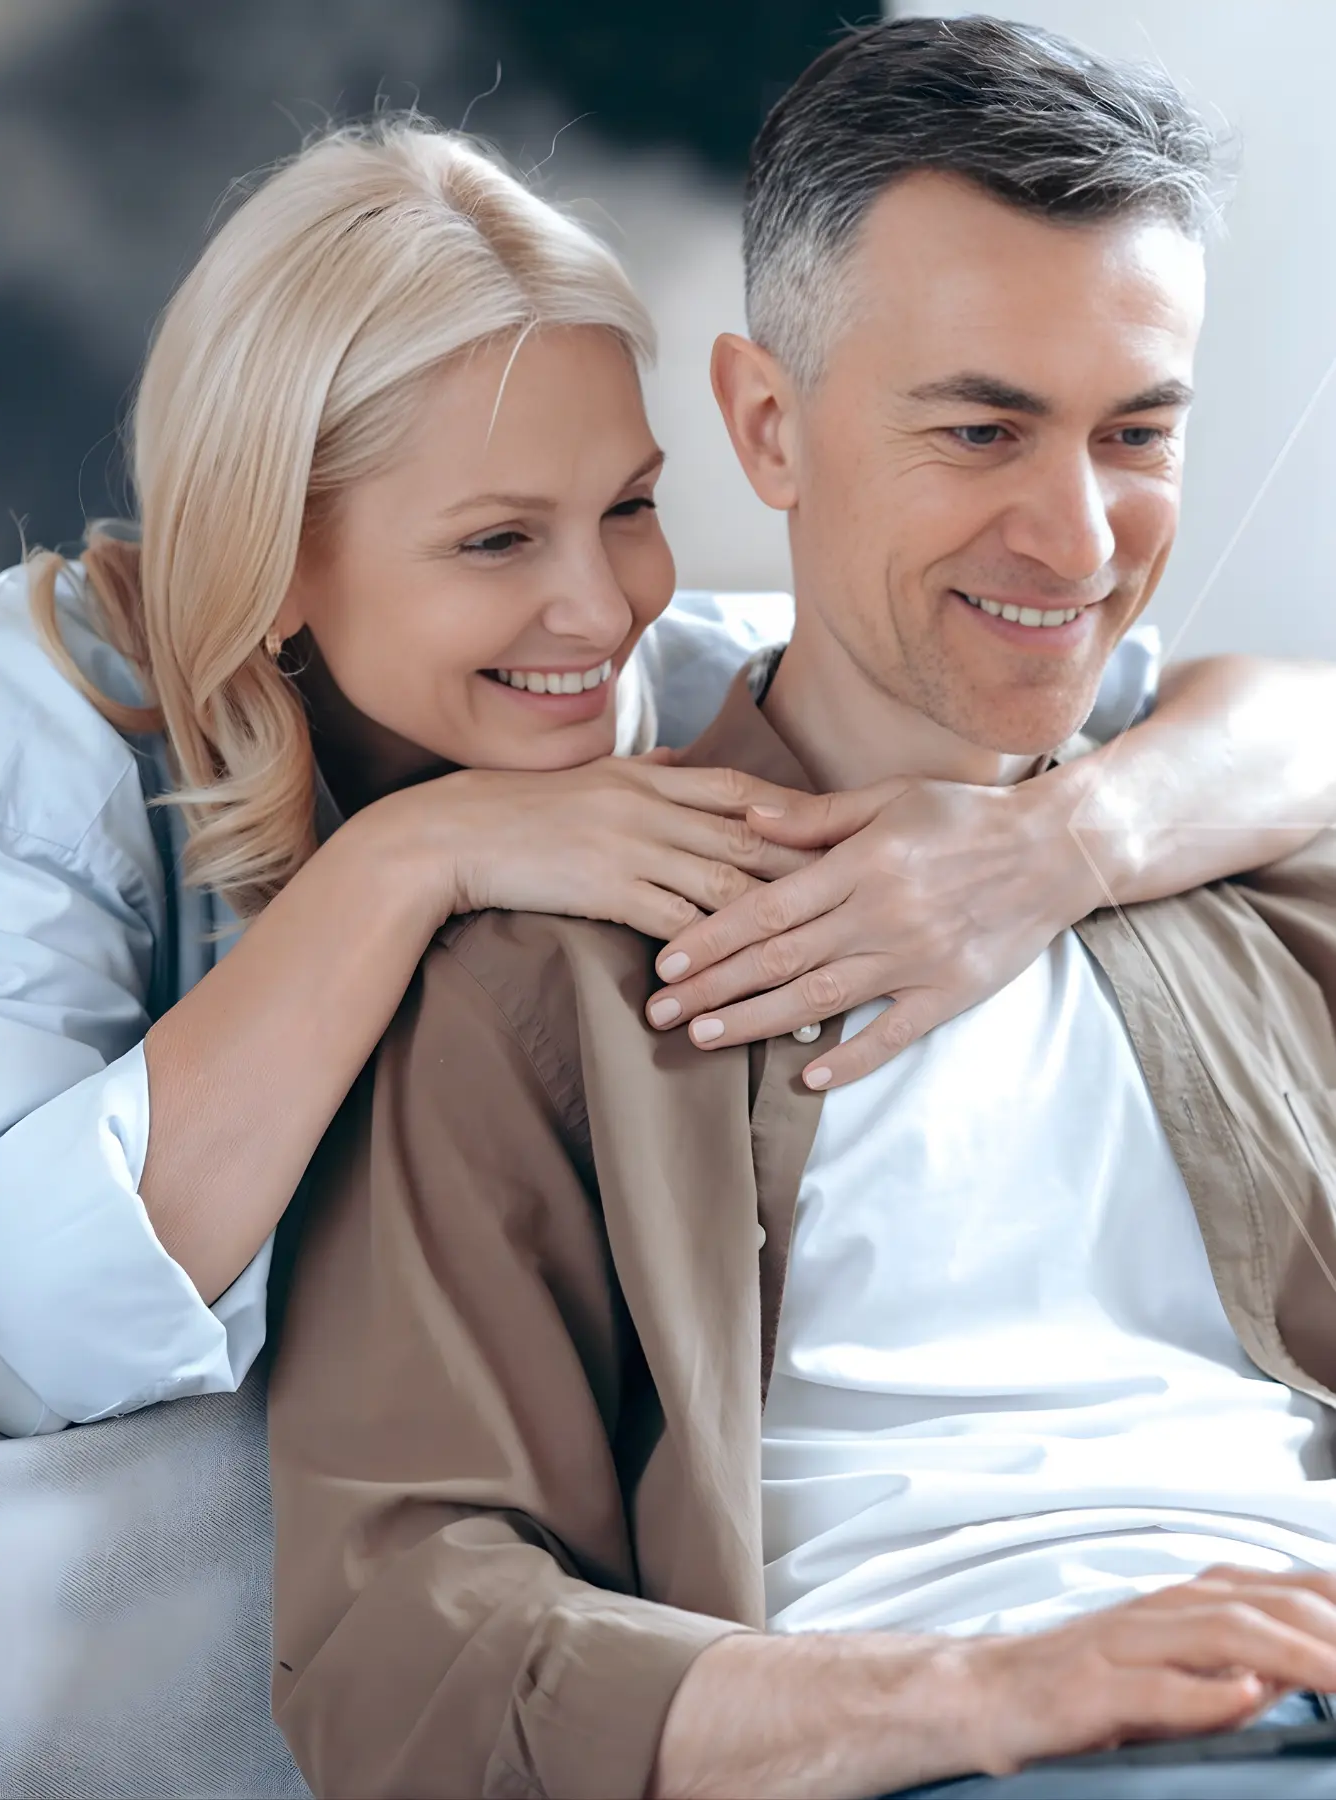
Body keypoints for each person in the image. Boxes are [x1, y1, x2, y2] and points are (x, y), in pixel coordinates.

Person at [270, 19, 1336, 1800]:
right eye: (982, 428)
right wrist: (974, 1696)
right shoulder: (543, 976)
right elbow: (398, 1643)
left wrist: (1072, 841)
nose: (1075, 540)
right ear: (767, 425)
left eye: (1134, 430)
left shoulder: (1252, 875)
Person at [0, 119, 1330, 1443]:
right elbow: (30, 1336)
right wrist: (406, 860)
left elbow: (1288, 729)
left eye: (627, 508)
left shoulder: (669, 690)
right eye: (499, 539)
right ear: (274, 555)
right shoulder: (51, 714)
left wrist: (1060, 845)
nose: (597, 608)